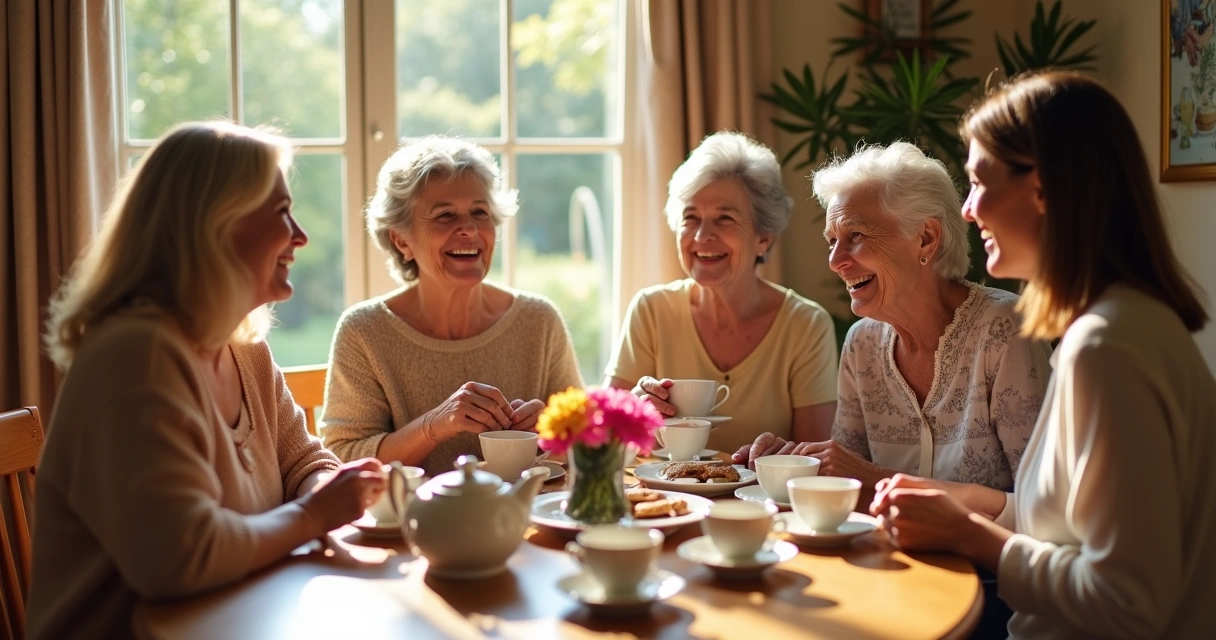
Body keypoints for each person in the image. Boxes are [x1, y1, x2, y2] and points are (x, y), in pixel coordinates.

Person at [871, 72, 1216, 638]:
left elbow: (1128, 601)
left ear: (1044, 189)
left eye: (980, 182)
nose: (967, 209)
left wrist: (967, 536)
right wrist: (952, 510)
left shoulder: (1108, 348)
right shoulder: (1116, 326)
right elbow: (1060, 532)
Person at [27, 122, 385, 640]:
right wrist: (313, 515)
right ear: (214, 225)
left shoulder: (243, 346)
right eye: (282, 213)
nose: (300, 236)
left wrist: (325, 490)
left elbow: (304, 461)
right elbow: (179, 559)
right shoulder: (135, 355)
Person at [733, 142, 1052, 528]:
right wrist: (796, 463)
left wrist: (873, 479)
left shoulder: (1004, 329)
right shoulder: (862, 344)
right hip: (889, 567)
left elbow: (1043, 510)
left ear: (925, 240)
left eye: (856, 236)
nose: (836, 262)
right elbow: (842, 486)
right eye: (832, 241)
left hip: (988, 578)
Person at [321, 136, 583, 476]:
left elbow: (588, 439)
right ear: (402, 241)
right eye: (445, 215)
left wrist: (551, 433)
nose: (469, 229)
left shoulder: (539, 320)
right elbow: (344, 459)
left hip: (527, 521)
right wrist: (434, 425)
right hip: (414, 525)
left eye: (479, 212)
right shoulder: (364, 331)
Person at [605, 132, 838, 454]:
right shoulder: (651, 309)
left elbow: (813, 457)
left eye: (724, 218)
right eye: (691, 218)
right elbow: (602, 438)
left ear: (764, 238)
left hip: (761, 499)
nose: (702, 235)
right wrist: (633, 412)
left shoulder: (806, 324)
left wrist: (778, 455)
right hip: (666, 498)